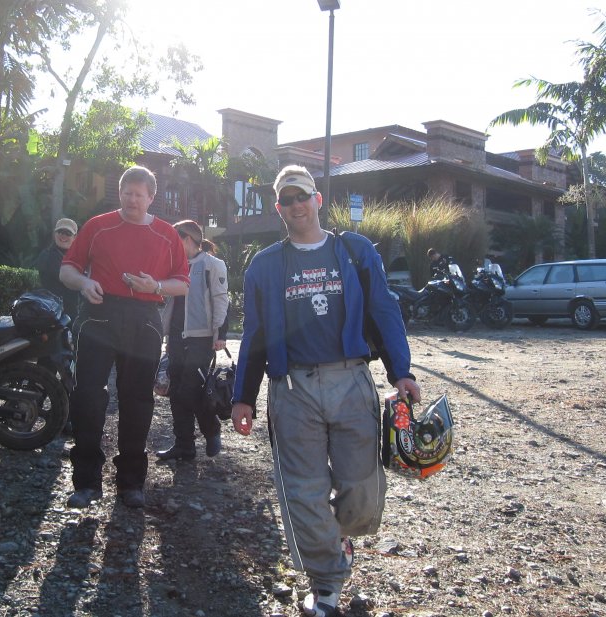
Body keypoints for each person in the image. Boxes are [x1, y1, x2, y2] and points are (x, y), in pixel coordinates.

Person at [230, 165, 421, 617]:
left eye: (303, 196)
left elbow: (383, 309)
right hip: (292, 388)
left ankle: (340, 537)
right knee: (304, 490)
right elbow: (254, 334)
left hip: (352, 379)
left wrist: (401, 371)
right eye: (287, 199)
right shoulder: (265, 264)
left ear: (318, 200)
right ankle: (325, 584)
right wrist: (243, 396)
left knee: (362, 487)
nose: (296, 205)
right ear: (279, 208)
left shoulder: (353, 251)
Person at [59, 165, 190, 509]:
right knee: (88, 396)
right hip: (99, 315)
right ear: (120, 193)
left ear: (151, 197)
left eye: (139, 194)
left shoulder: (167, 234)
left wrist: (157, 286)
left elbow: (183, 282)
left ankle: (131, 483)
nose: (133, 200)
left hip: (144, 317)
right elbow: (67, 269)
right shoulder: (97, 226)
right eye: (127, 193)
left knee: (136, 400)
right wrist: (85, 283)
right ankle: (86, 483)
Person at [156, 220, 229, 462]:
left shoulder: (212, 265)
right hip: (176, 337)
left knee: (190, 390)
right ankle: (184, 445)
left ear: (187, 239)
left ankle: (212, 429)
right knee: (175, 392)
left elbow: (220, 300)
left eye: (176, 240)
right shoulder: (173, 265)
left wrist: (221, 334)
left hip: (202, 339)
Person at [34, 218, 81, 322]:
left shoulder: (75, 258)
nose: (63, 236)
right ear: (55, 234)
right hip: (53, 316)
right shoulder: (48, 255)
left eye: (68, 233)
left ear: (75, 237)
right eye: (60, 231)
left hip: (71, 316)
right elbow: (70, 280)